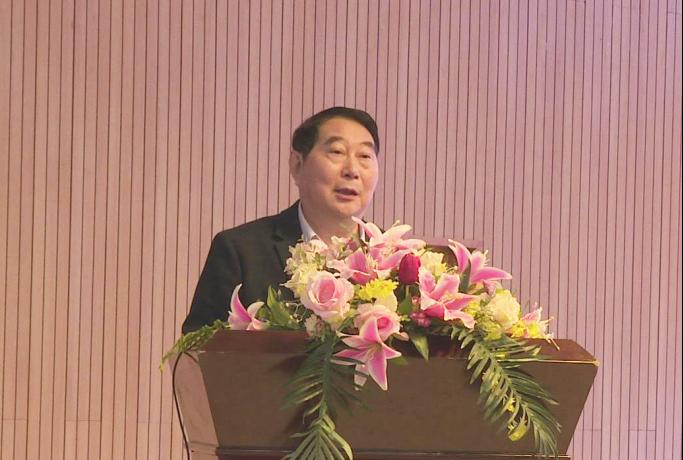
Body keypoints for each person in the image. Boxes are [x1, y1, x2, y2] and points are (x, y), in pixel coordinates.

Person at [181, 107, 381, 333]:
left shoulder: (397, 260)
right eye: (337, 152)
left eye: (365, 156)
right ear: (297, 165)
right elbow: (197, 346)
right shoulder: (241, 252)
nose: (352, 170)